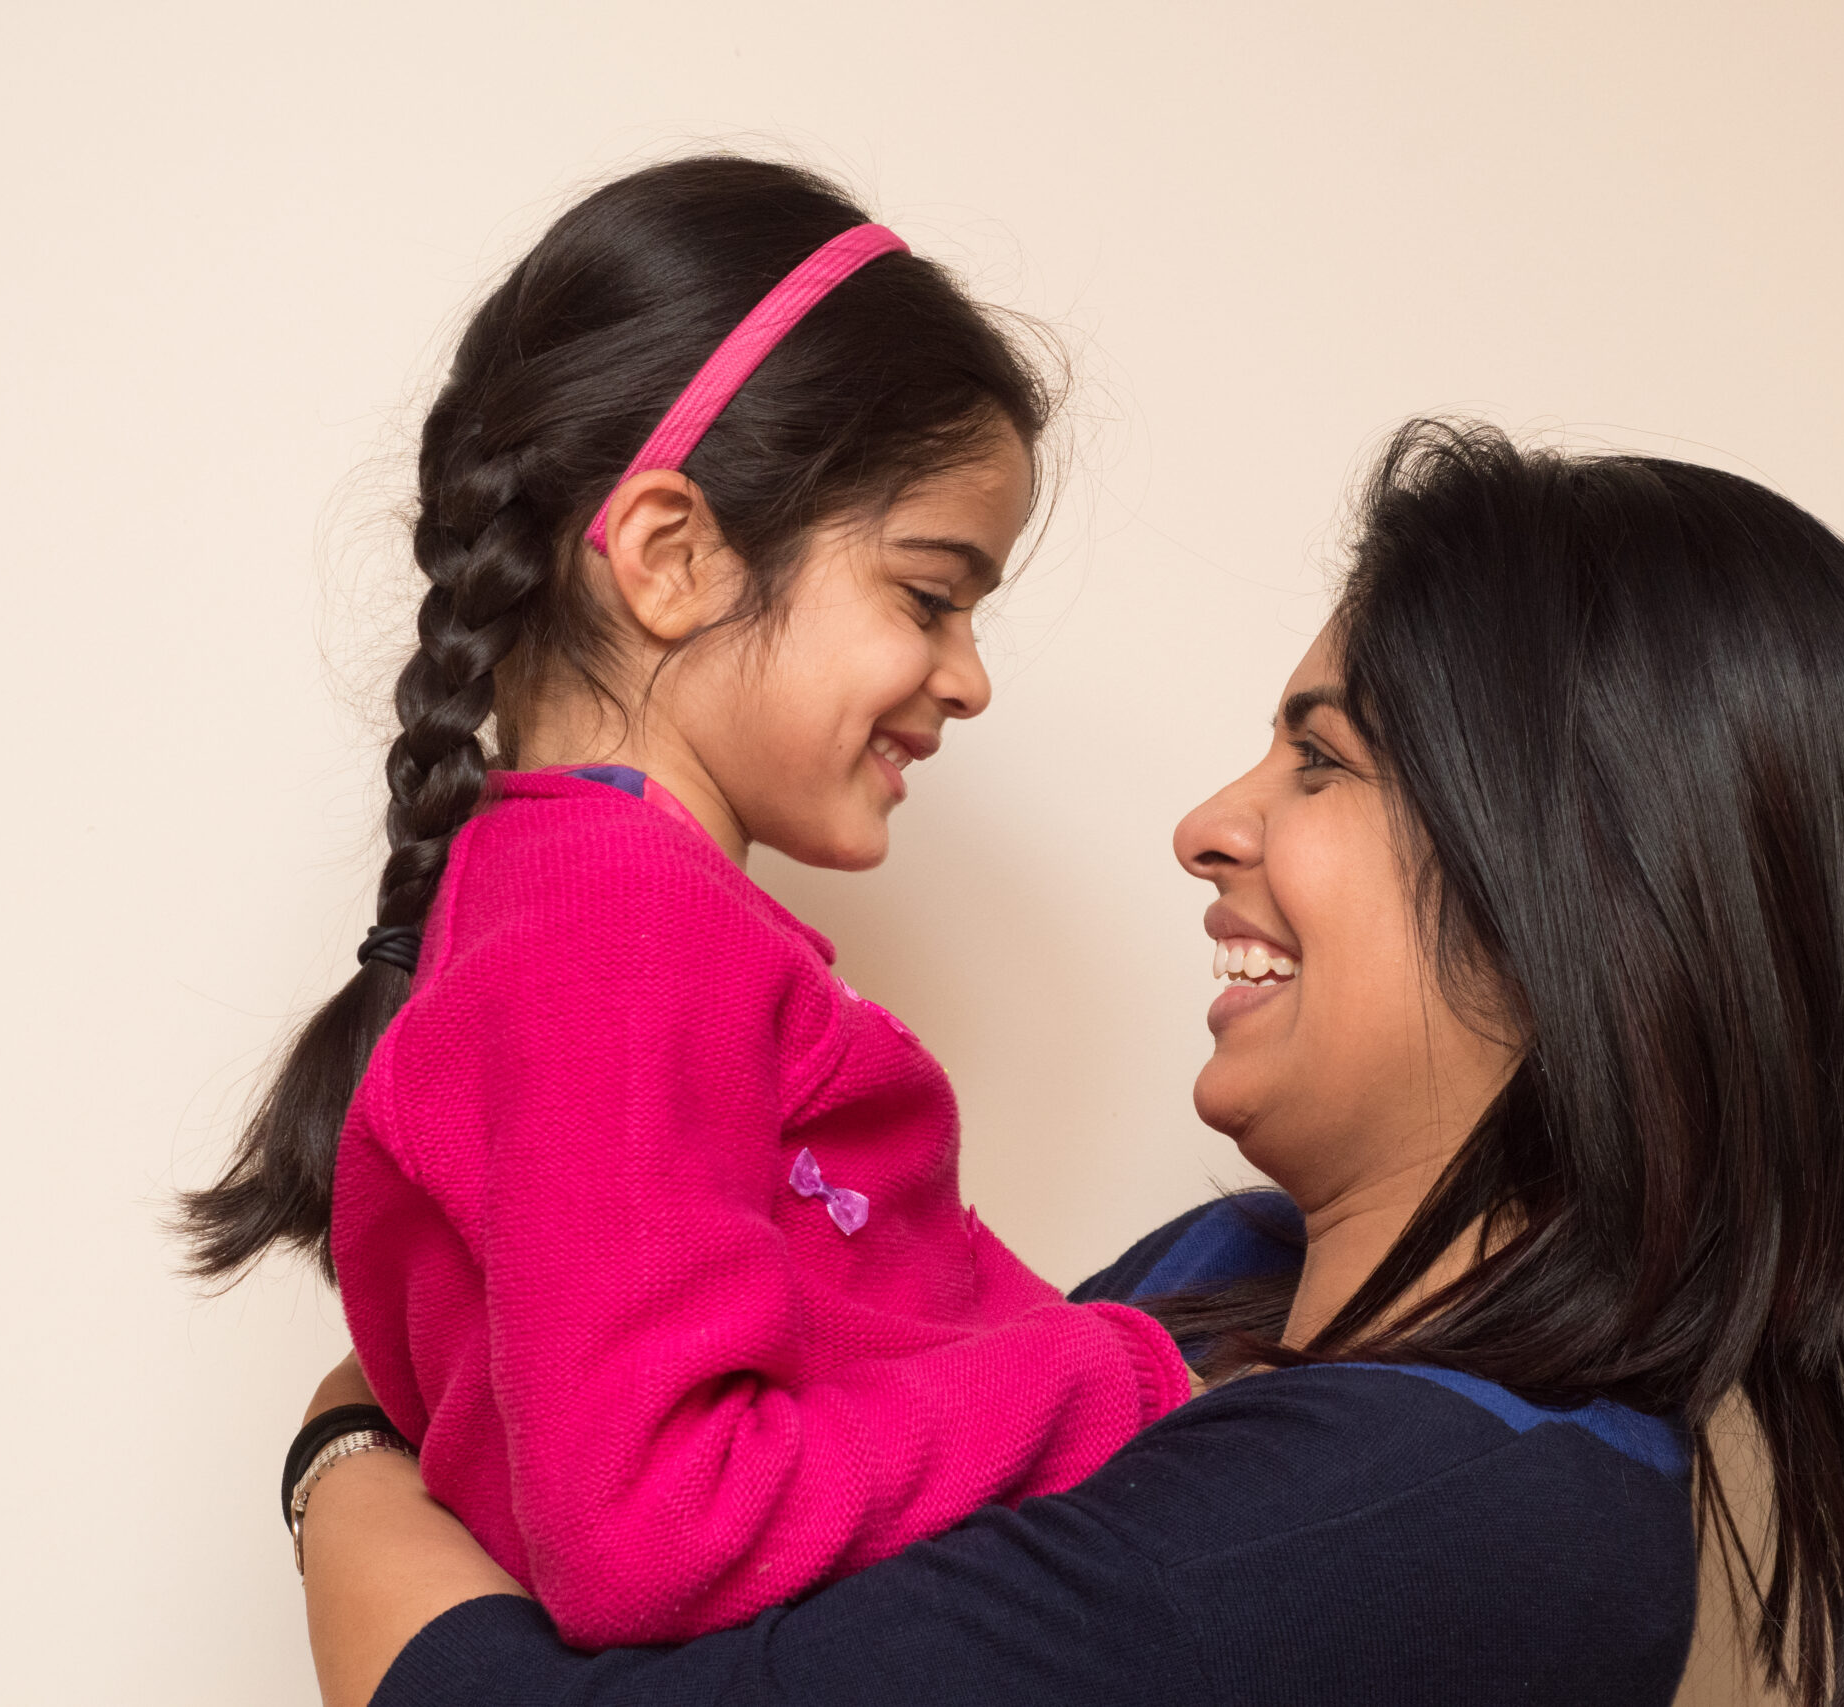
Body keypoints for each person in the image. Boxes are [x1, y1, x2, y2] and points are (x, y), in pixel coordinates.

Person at [291, 421, 1844, 1707]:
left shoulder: (1448, 1519)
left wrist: (356, 1449)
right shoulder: (1222, 1294)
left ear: (1578, 898)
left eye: (1319, 762)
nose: (1207, 824)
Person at [178, 157, 1191, 1650]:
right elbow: (654, 1528)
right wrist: (1122, 1377)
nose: (970, 676)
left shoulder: (581, 914)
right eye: (929, 594)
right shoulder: (620, 938)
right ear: (671, 556)